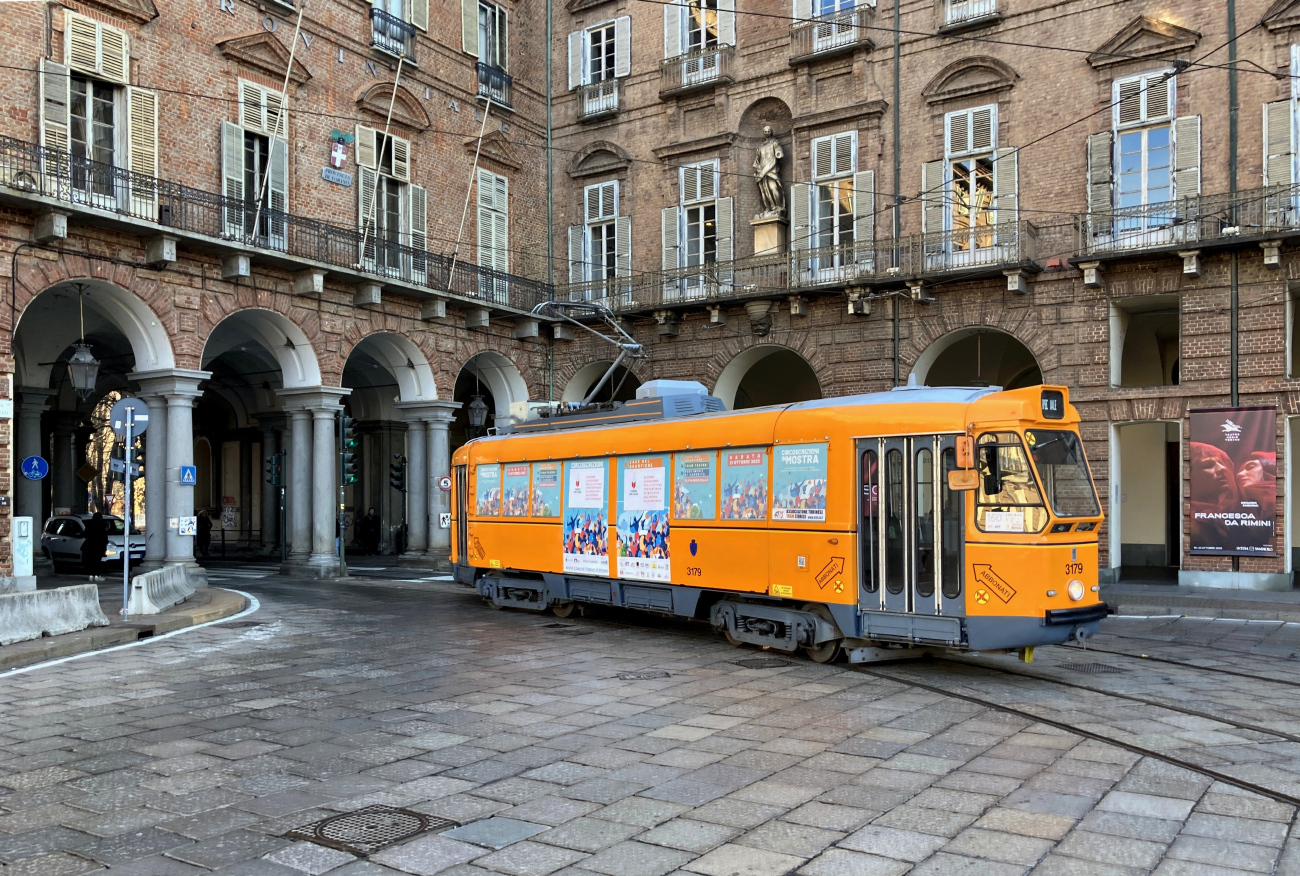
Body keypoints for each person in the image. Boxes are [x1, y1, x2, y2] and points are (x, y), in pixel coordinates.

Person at [81, 511, 108, 580]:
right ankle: (97, 575)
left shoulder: (89, 524)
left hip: (90, 545)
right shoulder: (102, 525)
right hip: (99, 545)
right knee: (97, 560)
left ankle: (91, 575)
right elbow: (104, 536)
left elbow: (85, 534)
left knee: (90, 560)